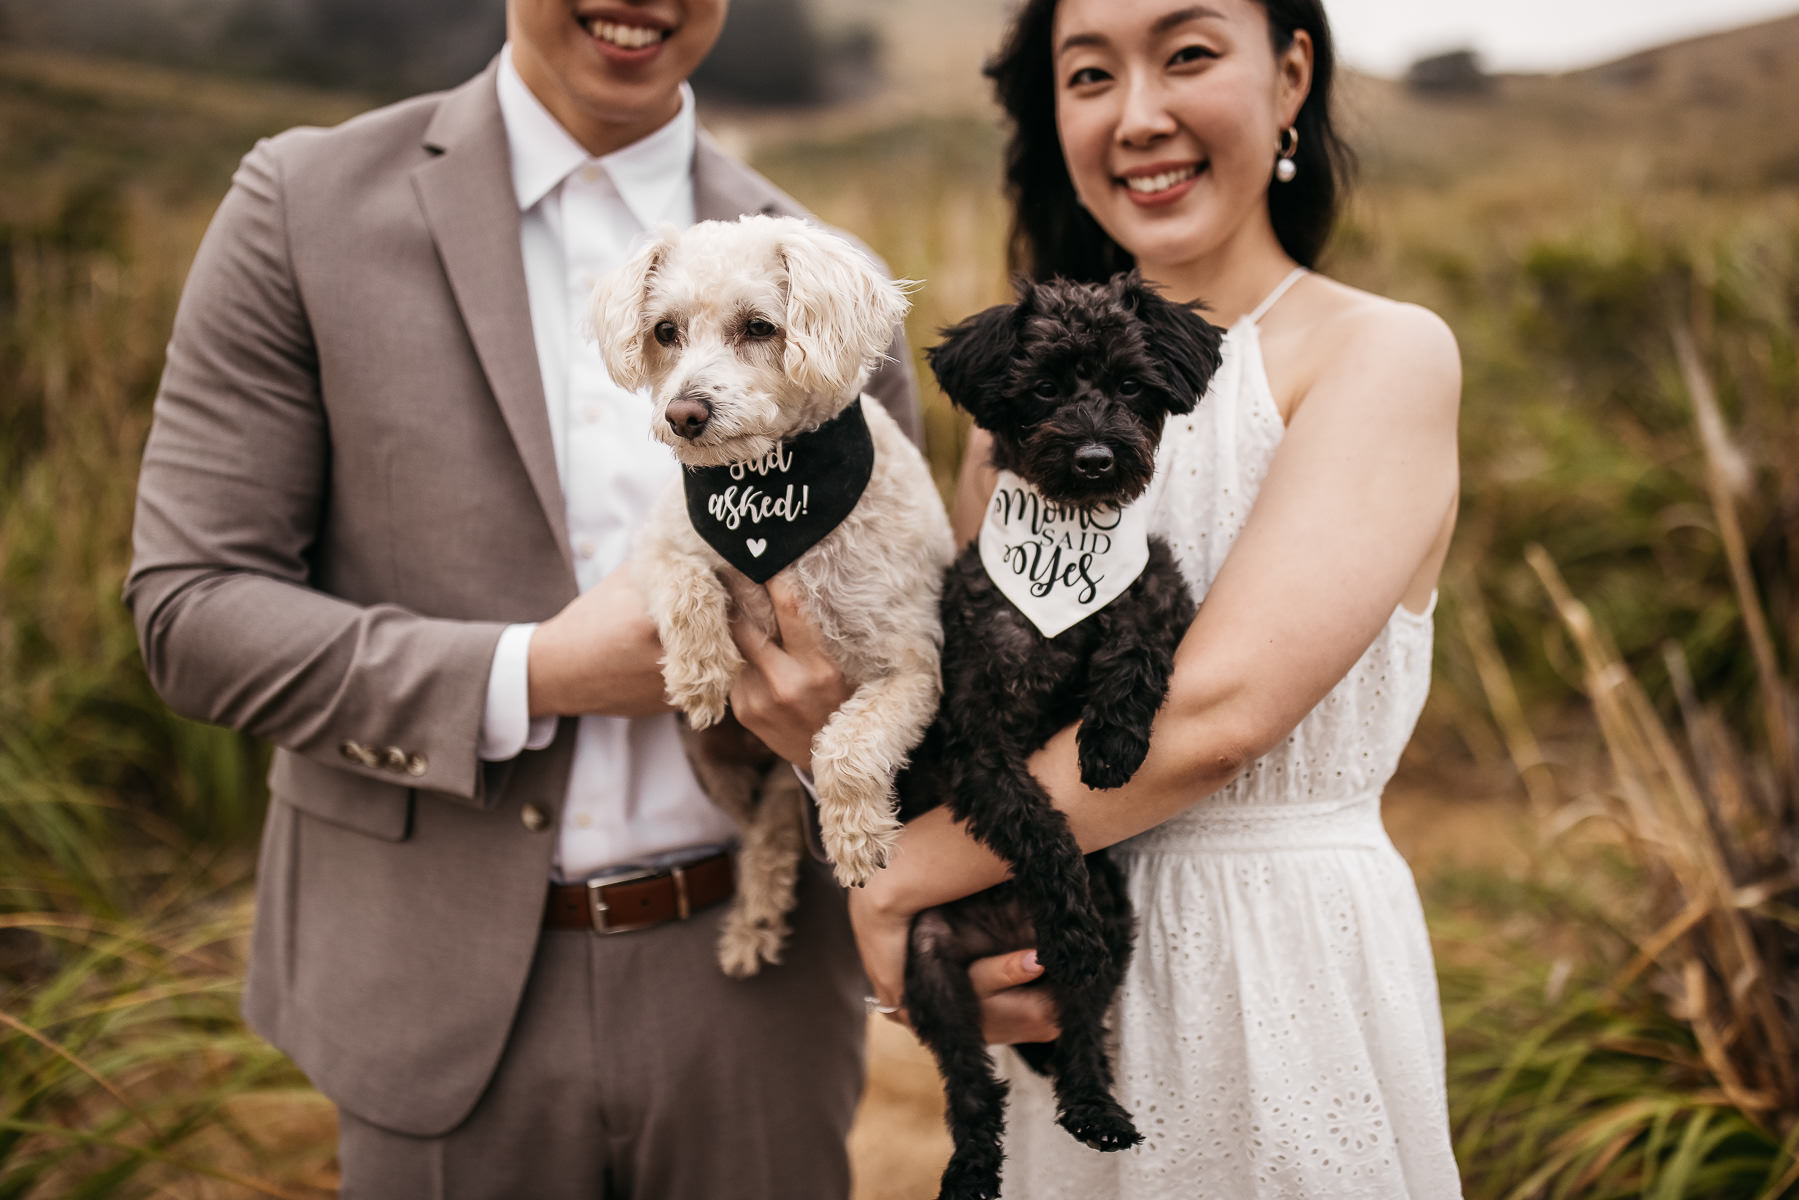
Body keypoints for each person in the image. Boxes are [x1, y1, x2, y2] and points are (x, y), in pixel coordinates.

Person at [125, 1, 1046, 1194]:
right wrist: (539, 672)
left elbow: (897, 634)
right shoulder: (302, 206)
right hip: (433, 987)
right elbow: (189, 612)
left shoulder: (822, 280)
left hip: (759, 996)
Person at [849, 0, 1465, 1195]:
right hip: (1060, 939)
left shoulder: (1378, 355)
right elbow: (975, 694)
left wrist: (894, 880)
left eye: (1185, 55)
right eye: (1088, 76)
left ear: (1289, 77)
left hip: (1277, 963)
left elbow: (1215, 716)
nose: (1137, 116)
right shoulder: (1012, 422)